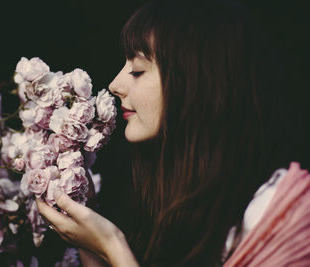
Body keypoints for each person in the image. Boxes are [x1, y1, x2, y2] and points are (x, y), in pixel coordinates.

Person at [36, 0, 310, 266]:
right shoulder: (177, 205)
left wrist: (112, 244)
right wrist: (90, 234)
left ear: (197, 83)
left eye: (138, 70)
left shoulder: (289, 219)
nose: (115, 84)